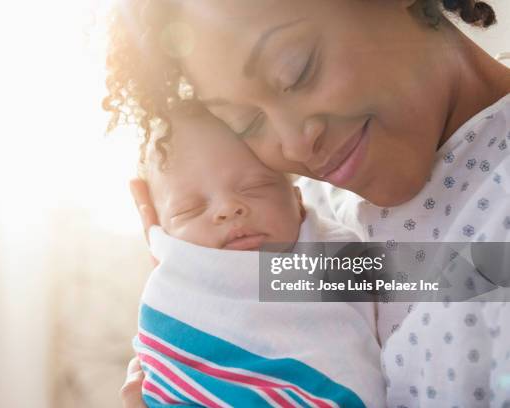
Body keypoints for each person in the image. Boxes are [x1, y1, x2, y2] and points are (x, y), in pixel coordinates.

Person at [103, 0, 510, 405]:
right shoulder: (305, 213)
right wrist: (200, 275)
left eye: (296, 71)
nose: (296, 145)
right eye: (247, 123)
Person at [134, 106, 384, 407]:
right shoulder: (177, 296)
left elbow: (446, 277)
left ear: (297, 200)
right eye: (190, 208)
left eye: (256, 187)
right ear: (162, 234)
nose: (227, 208)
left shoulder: (333, 259)